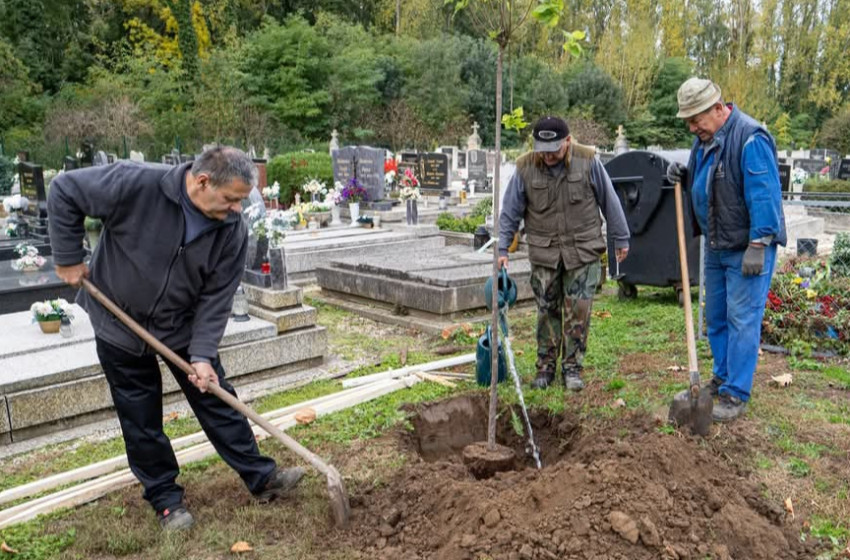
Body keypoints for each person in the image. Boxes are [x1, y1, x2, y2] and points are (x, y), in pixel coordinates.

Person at [48, 147, 304, 530]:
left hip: (180, 325)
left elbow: (217, 299)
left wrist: (202, 354)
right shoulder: (136, 183)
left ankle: (261, 476)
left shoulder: (231, 231)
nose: (237, 209)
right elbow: (64, 190)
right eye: (231, 198)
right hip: (118, 321)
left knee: (217, 397)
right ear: (203, 182)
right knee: (140, 415)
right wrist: (68, 256)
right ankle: (166, 500)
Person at [666, 78, 786, 422]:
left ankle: (736, 393)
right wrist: (686, 174)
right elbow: (714, 180)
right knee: (716, 317)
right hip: (717, 245)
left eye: (696, 119)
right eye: (688, 121)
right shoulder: (704, 139)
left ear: (719, 109)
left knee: (742, 319)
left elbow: (764, 194)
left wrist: (759, 243)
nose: (692, 127)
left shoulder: (750, 137)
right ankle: (721, 377)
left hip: (746, 248)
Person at [499, 116, 630, 391]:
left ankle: (572, 368)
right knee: (547, 312)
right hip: (545, 253)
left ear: (568, 142)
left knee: (578, 312)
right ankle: (545, 368)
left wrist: (620, 238)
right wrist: (502, 248)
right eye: (542, 150)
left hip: (582, 252)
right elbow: (511, 209)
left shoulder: (589, 161)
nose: (547, 156)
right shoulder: (525, 167)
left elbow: (610, 200)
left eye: (554, 149)